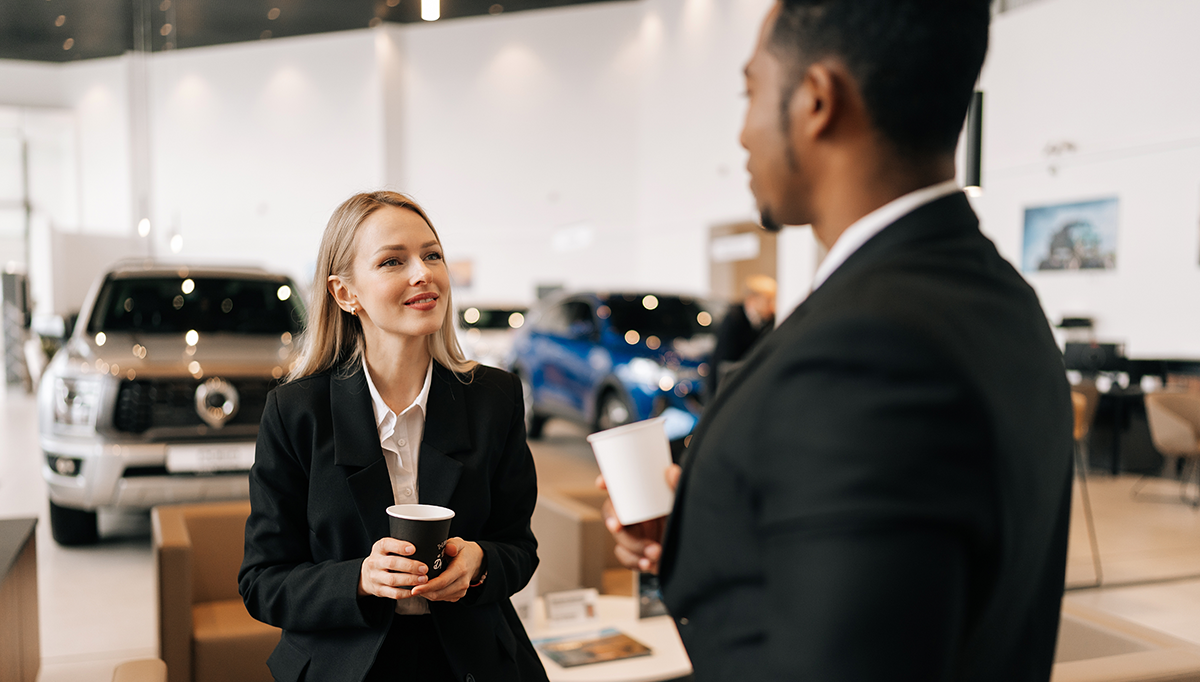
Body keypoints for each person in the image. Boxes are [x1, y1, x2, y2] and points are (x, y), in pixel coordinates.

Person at [602, 1, 1074, 680]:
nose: (740, 134)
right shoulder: (1001, 300)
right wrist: (713, 527)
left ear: (817, 102)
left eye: (750, 91)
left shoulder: (865, 352)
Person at [239, 191, 549, 682]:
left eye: (432, 255)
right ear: (346, 294)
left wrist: (480, 563)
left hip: (472, 661)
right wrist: (359, 579)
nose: (422, 273)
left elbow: (519, 547)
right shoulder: (298, 412)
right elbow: (262, 582)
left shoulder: (494, 397)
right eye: (392, 261)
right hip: (345, 662)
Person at [707, 274, 777, 394]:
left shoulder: (769, 321)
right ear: (752, 299)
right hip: (726, 385)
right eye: (768, 300)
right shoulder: (733, 319)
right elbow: (724, 362)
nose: (772, 306)